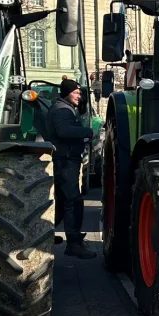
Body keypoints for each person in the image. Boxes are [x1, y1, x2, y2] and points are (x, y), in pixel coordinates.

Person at [47, 79, 94, 259]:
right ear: (67, 93)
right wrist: (87, 132)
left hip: (66, 159)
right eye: (76, 93)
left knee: (62, 200)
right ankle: (73, 243)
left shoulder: (64, 108)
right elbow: (64, 131)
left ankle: (46, 233)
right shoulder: (62, 109)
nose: (79, 96)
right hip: (66, 160)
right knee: (72, 201)